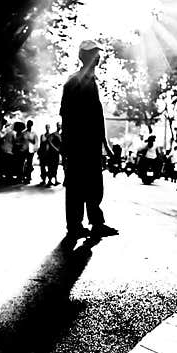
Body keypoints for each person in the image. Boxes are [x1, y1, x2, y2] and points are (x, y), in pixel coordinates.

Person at [60, 39, 116, 241]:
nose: (98, 57)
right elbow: (66, 116)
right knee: (76, 186)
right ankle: (75, 226)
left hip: (90, 144)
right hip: (78, 144)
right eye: (94, 54)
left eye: (98, 54)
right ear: (84, 57)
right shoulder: (74, 81)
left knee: (93, 184)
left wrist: (105, 145)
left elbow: (97, 117)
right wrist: (66, 147)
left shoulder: (91, 81)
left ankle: (95, 223)